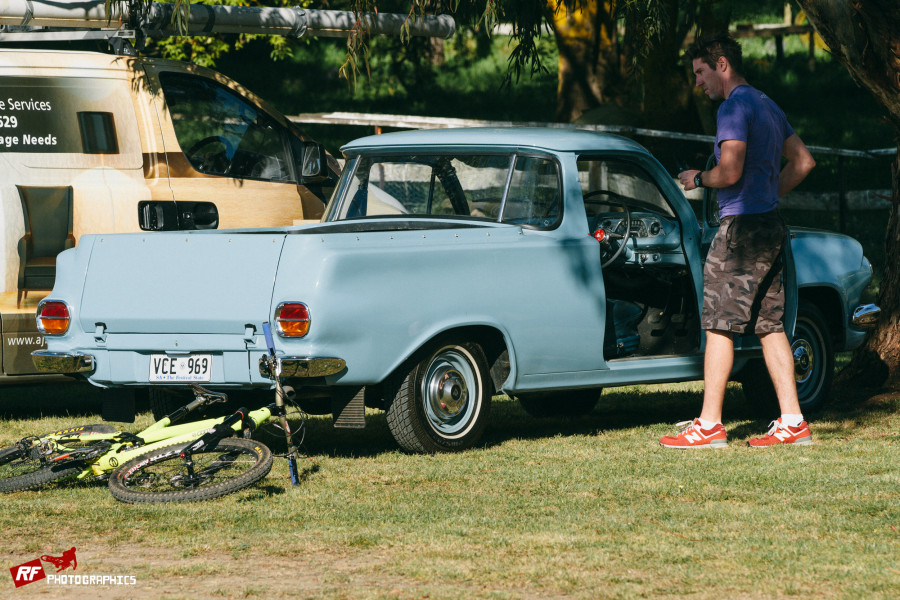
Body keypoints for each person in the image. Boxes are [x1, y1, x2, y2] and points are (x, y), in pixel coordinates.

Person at [660, 32, 816, 449]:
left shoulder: (733, 107)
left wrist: (698, 178)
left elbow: (728, 172)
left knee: (718, 324)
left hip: (742, 231)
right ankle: (793, 421)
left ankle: (709, 426)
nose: (697, 82)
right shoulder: (766, 103)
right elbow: (803, 161)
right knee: (770, 326)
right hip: (770, 225)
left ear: (722, 65)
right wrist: (768, 195)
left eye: (700, 72)